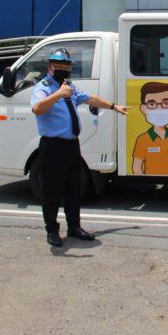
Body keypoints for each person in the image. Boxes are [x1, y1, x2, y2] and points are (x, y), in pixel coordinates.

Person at [31, 47, 128, 247]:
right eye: (59, 66)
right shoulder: (44, 87)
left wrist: (113, 106)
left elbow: (89, 98)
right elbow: (37, 109)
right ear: (50, 68)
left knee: (73, 189)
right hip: (53, 146)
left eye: (66, 66)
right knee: (52, 191)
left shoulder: (70, 87)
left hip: (71, 146)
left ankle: (74, 227)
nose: (64, 69)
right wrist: (58, 94)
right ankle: (52, 231)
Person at [132, 82, 168, 175]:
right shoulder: (142, 139)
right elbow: (136, 168)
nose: (159, 109)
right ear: (143, 109)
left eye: (166, 103)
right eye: (152, 104)